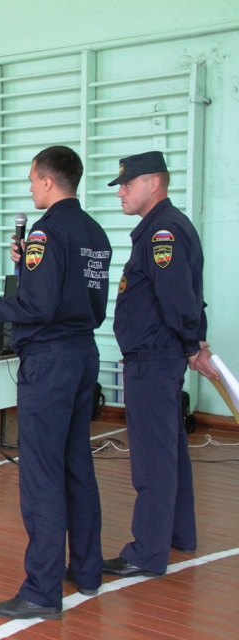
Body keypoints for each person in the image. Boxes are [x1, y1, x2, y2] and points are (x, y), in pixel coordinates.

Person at [0, 145, 111, 620]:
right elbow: (69, 295)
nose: (31, 187)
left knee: (41, 474)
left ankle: (41, 590)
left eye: (33, 179)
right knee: (76, 464)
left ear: (48, 180)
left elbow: (38, 306)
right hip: (83, 354)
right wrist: (25, 266)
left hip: (50, 361)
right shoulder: (94, 232)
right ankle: (87, 569)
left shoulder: (46, 232)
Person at [103, 150, 219, 579]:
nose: (121, 193)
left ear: (154, 183)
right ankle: (178, 534)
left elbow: (177, 297)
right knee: (170, 451)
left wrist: (190, 344)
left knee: (152, 459)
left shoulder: (161, 232)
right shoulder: (165, 227)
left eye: (128, 184)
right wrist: (190, 341)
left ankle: (146, 553)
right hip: (159, 356)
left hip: (153, 359)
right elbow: (185, 295)